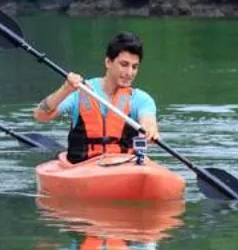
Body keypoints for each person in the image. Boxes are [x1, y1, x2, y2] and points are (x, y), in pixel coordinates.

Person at [31, 31, 161, 163]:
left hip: (123, 165)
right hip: (82, 166)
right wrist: (65, 89)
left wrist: (150, 131)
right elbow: (40, 115)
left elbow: (148, 122)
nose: (129, 72)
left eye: (134, 67)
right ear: (108, 62)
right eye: (124, 64)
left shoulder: (140, 99)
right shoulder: (80, 91)